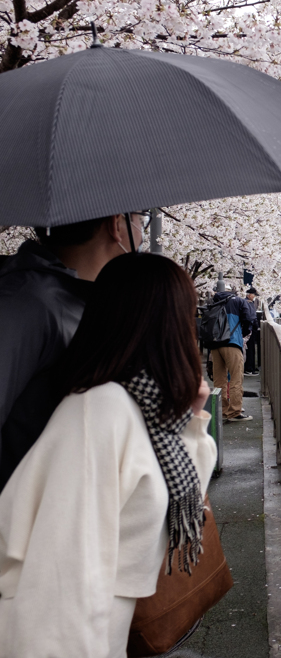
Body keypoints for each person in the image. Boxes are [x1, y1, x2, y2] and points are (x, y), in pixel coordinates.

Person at [0, 253, 217, 655]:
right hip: (64, 635)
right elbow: (63, 575)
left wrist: (191, 417)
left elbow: (182, 496)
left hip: (102, 634)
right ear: (169, 323)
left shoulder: (145, 408)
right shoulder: (99, 411)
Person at [0, 212, 144, 492]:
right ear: (117, 225)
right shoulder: (28, 302)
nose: (142, 233)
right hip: (35, 505)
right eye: (140, 220)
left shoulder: (84, 298)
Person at [209, 286, 256, 422]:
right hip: (232, 342)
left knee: (219, 380)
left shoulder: (214, 302)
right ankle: (234, 412)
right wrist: (243, 333)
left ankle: (222, 410)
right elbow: (249, 319)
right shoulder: (239, 301)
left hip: (215, 344)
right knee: (236, 377)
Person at [243, 286, 261, 376]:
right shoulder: (248, 303)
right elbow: (251, 316)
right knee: (250, 349)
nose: (254, 297)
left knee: (249, 349)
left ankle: (250, 367)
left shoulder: (246, 303)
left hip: (248, 328)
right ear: (249, 294)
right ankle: (249, 368)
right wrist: (256, 326)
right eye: (253, 295)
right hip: (250, 328)